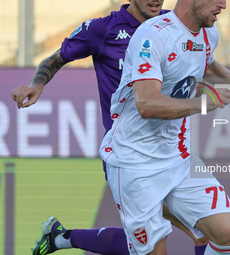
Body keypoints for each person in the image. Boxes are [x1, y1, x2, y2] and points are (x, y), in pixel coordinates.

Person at [11, 0, 208, 255]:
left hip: (171, 155)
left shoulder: (175, 24)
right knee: (173, 241)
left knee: (205, 231)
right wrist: (37, 85)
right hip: (129, 158)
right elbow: (57, 57)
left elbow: (199, 59)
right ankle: (61, 238)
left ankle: (59, 238)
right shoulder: (103, 30)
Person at [99, 0, 230, 253]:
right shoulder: (152, 35)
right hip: (134, 163)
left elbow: (207, 63)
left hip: (178, 157)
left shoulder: (209, 33)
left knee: (228, 232)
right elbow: (146, 104)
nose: (223, 5)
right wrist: (204, 103)